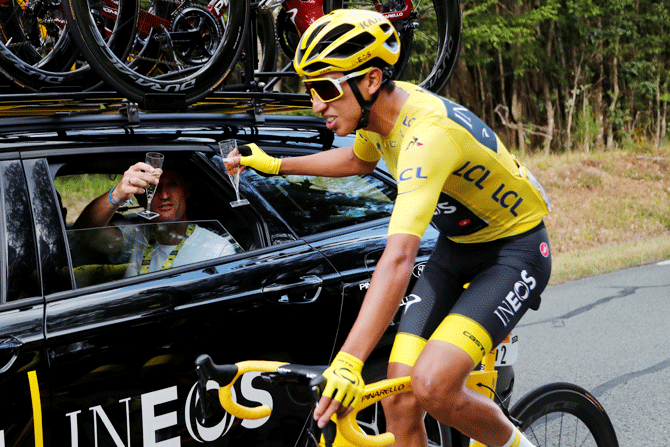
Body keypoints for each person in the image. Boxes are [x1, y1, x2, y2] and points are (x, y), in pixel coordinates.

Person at [225, 9, 552, 447]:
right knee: (399, 397)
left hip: (513, 252)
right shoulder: (379, 116)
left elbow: (398, 259)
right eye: (310, 89)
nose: (316, 103)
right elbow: (360, 159)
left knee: (433, 385)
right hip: (457, 248)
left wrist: (349, 361)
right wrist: (274, 164)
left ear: (372, 80)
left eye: (325, 88)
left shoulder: (426, 137)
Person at [74, 160, 238, 277]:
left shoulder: (217, 251)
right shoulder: (137, 236)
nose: (164, 195)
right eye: (153, 187)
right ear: (140, 199)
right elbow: (86, 232)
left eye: (172, 185)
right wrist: (117, 194)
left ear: (186, 191)